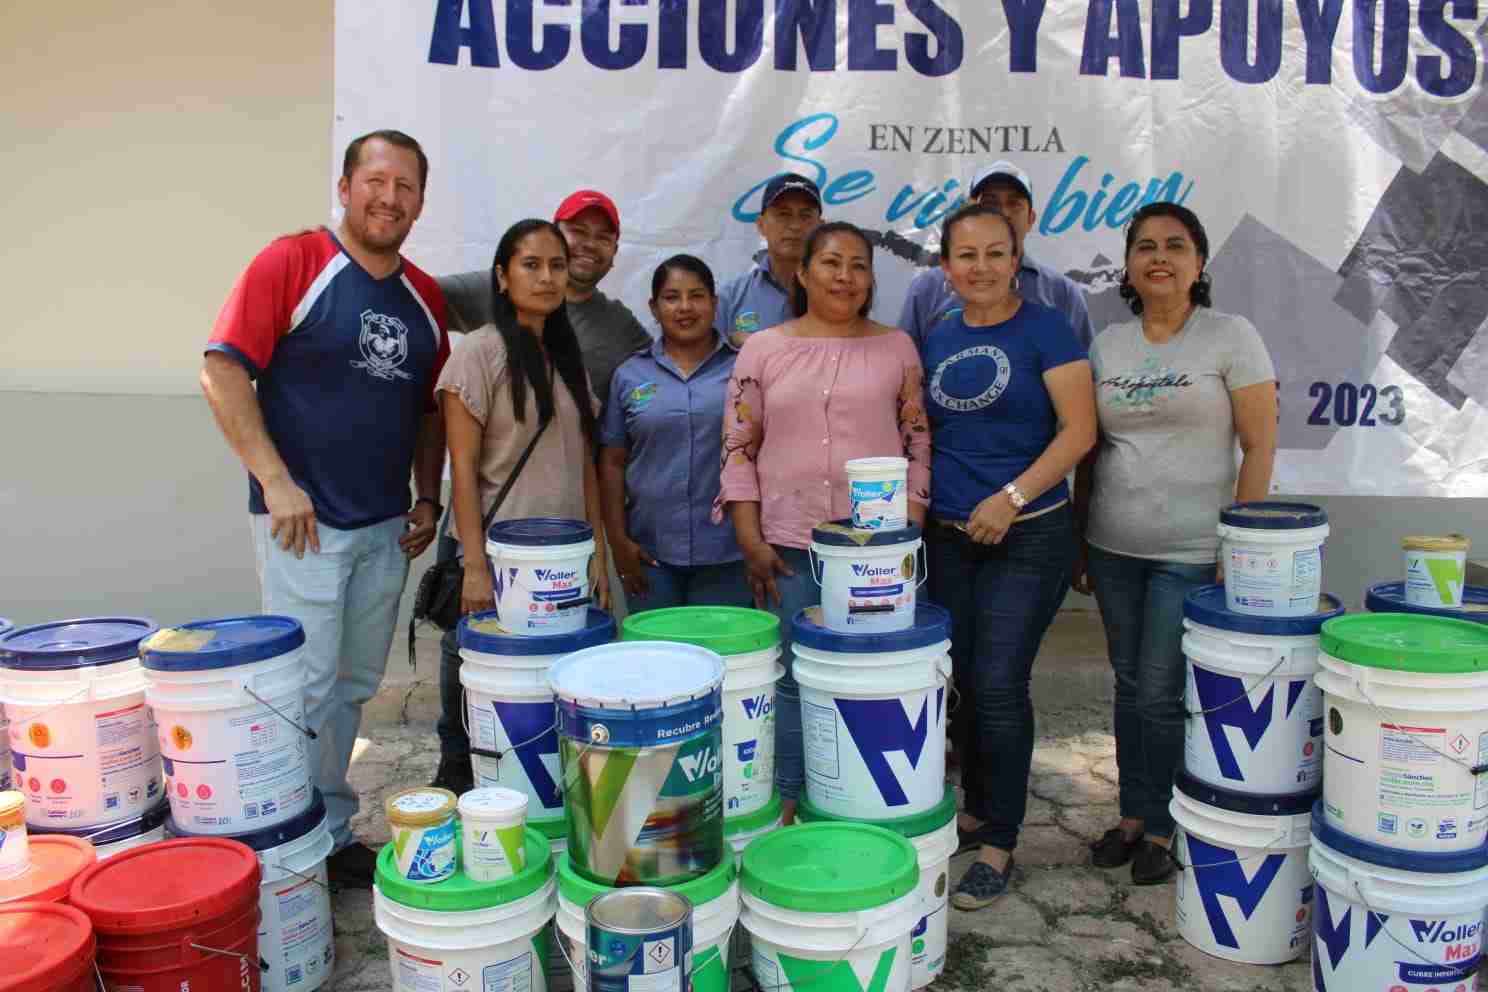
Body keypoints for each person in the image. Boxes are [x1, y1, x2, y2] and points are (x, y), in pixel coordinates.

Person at [201, 129, 450, 886]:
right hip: (302, 526)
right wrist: (275, 480)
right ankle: (282, 846)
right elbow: (222, 371)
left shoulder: (425, 298)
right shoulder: (294, 261)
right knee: (300, 690)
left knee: (351, 687)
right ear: (344, 188)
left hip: (385, 528)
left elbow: (429, 410)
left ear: (420, 202)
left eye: (405, 186)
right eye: (376, 181)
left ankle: (330, 833)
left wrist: (428, 494)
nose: (389, 198)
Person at [1072, 202, 1277, 885]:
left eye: (1175, 245)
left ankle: (1164, 823)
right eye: (1146, 246)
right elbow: (1090, 450)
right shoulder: (1108, 345)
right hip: (1113, 545)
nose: (1159, 257)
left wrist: (1241, 543)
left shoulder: (1230, 335)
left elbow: (1260, 444)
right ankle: (1133, 814)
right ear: (1129, 265)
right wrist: (1079, 540)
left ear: (1200, 262)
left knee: (1160, 690)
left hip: (1190, 551)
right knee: (1130, 683)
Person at [715, 221, 931, 824]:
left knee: (871, 674)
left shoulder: (897, 348)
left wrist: (907, 534)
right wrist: (749, 537)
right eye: (832, 263)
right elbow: (738, 445)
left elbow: (917, 441)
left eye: (859, 265)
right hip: (789, 545)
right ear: (804, 274)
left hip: (877, 553)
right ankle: (788, 800)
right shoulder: (763, 350)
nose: (845, 276)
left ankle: (862, 799)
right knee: (792, 676)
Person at [920, 203, 1096, 911]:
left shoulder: (1047, 329)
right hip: (949, 538)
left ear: (1016, 260)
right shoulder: (938, 335)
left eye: (996, 253)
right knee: (962, 680)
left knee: (998, 682)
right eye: (967, 255)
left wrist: (1012, 498)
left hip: (1029, 534)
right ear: (945, 267)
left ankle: (1000, 840)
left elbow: (1079, 430)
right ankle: (975, 809)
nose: (982, 267)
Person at [430, 219, 612, 793]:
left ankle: (541, 789)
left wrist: (597, 554)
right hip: (499, 555)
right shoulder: (478, 353)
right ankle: (459, 770)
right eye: (531, 265)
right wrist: (474, 565)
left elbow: (586, 467)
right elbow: (462, 468)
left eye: (557, 265)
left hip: (563, 560)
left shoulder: (567, 359)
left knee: (544, 682)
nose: (547, 277)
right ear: (502, 277)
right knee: (476, 667)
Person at [599, 255, 747, 608]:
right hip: (650, 554)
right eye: (671, 297)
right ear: (654, 307)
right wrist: (618, 542)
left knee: (725, 644)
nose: (685, 307)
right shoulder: (629, 375)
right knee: (655, 644)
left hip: (730, 552)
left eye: (696, 296)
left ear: (714, 303)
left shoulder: (745, 367)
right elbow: (612, 462)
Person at [438, 190, 652, 409]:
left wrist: (624, 414)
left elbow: (657, 385)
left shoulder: (620, 324)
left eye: (603, 238)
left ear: (614, 252)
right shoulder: (501, 287)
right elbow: (419, 297)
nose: (590, 244)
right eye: (578, 231)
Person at [897, 160, 1095, 350]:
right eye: (990, 202)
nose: (1003, 213)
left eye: (1014, 203)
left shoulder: (1063, 294)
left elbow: (1084, 368)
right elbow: (905, 366)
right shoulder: (926, 290)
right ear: (970, 213)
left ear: (1031, 219)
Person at [715, 173, 824, 346]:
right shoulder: (729, 299)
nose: (795, 226)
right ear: (761, 225)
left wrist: (756, 343)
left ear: (820, 227)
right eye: (783, 214)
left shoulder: (838, 295)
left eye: (805, 216)